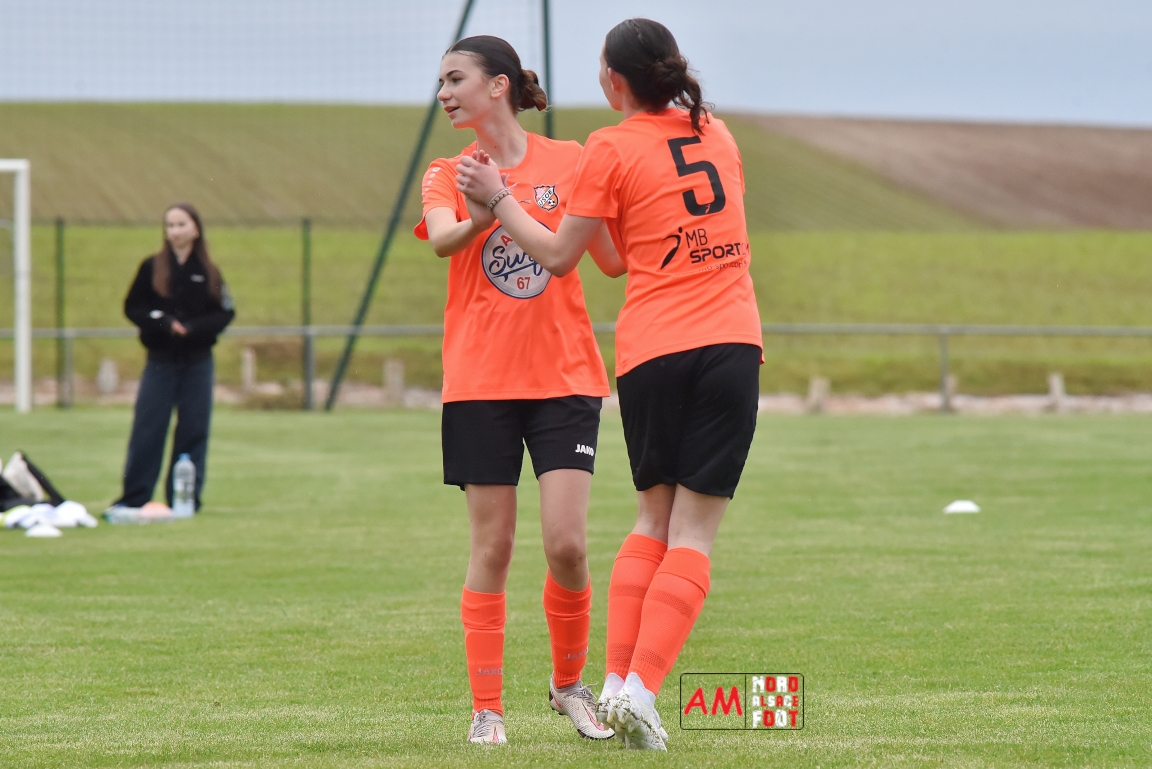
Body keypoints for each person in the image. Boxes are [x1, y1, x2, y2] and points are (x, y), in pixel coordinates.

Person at [456, 18, 763, 750]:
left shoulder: (609, 146)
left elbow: (564, 257)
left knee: (652, 521)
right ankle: (638, 692)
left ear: (614, 81)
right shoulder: (717, 133)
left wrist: (501, 197)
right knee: (693, 533)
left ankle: (625, 684)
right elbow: (615, 250)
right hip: (728, 341)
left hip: (652, 349)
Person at [414, 35, 624, 745]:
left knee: (567, 545)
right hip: (480, 382)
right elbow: (442, 238)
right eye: (441, 82)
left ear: (498, 85)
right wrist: (484, 210)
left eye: (455, 79)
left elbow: (609, 258)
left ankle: (569, 686)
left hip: (565, 377)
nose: (444, 93)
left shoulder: (570, 160)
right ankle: (488, 709)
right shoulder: (448, 171)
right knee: (494, 547)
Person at [113, 203, 234, 513]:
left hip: (197, 363)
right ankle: (135, 498)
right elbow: (133, 307)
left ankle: (185, 499)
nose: (175, 231)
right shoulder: (152, 267)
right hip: (160, 362)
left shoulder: (208, 272)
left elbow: (224, 313)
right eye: (170, 225)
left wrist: (193, 329)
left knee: (194, 429)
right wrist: (163, 323)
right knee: (148, 428)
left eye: (181, 224)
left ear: (196, 229)